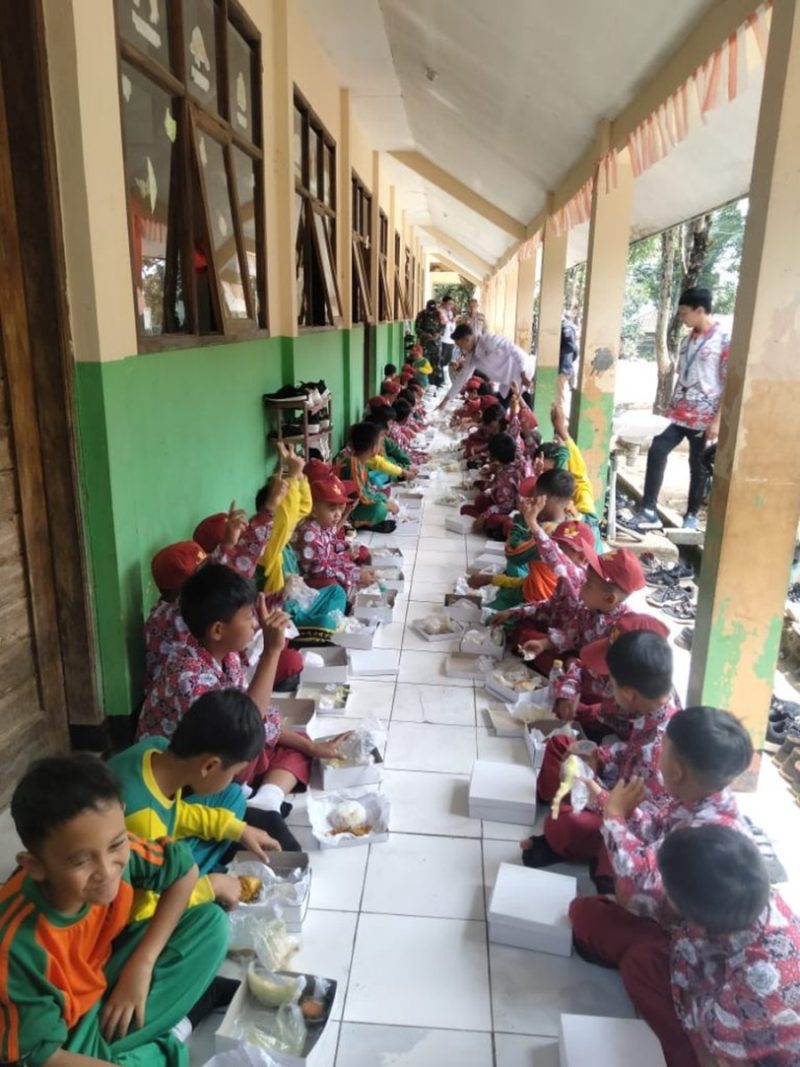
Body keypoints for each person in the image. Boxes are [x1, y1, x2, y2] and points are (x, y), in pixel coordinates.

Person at [0, 753, 229, 1067]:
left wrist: (142, 964)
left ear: (122, 817)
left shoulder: (119, 848)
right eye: (81, 861)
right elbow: (41, 1056)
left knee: (211, 923)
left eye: (116, 844)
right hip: (63, 1032)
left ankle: (155, 1045)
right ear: (35, 866)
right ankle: (166, 1043)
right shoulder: (17, 946)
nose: (107, 871)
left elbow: (184, 872)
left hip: (103, 977)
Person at [136, 564, 345, 827]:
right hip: (193, 778)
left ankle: (267, 799)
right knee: (258, 747)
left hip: (224, 749)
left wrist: (311, 747)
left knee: (298, 741)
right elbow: (246, 727)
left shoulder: (227, 657)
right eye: (248, 617)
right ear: (218, 631)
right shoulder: (188, 677)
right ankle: (262, 795)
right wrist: (271, 651)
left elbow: (259, 718)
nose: (255, 623)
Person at [569, 705, 752, 968]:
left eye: (663, 751)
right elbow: (653, 830)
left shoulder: (706, 834)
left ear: (676, 770)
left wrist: (614, 816)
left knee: (586, 915)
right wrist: (604, 799)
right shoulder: (700, 798)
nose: (657, 756)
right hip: (657, 889)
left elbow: (635, 886)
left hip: (693, 949)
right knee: (603, 869)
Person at [617, 826, 800, 1066]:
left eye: (667, 888)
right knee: (641, 957)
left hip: (746, 1049)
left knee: (641, 964)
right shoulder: (746, 894)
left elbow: (715, 1045)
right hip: (718, 984)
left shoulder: (757, 981)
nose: (662, 888)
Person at [523, 630, 678, 887]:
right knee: (561, 744)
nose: (608, 690)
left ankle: (570, 843)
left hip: (624, 811)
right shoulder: (654, 703)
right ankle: (557, 804)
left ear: (628, 693)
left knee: (565, 825)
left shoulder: (660, 750)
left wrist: (599, 795)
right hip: (617, 780)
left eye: (612, 685)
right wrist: (601, 756)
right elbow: (629, 751)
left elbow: (644, 824)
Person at [110, 689, 283, 918]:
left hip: (150, 831)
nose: (233, 779)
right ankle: (199, 875)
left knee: (233, 797)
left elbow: (174, 812)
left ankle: (196, 868)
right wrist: (211, 887)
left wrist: (239, 829)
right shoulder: (145, 820)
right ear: (210, 766)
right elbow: (146, 912)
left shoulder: (155, 748)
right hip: (133, 904)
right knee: (212, 922)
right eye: (233, 772)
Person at [625, 287, 730, 532]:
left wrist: (717, 421)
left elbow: (728, 384)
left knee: (698, 465)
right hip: (678, 412)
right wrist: (670, 407)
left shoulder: (723, 339)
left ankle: (692, 515)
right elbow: (683, 375)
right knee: (657, 450)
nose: (682, 319)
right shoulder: (687, 340)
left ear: (700, 310)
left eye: (685, 314)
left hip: (704, 417)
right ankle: (648, 510)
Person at [471, 471, 579, 613]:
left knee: (487, 616)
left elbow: (513, 555)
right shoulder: (570, 523)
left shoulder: (550, 532)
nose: (533, 500)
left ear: (551, 498)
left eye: (536, 495)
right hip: (531, 586)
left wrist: (524, 519)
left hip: (540, 601)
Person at [292, 476, 377, 598]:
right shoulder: (309, 535)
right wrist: (354, 575)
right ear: (314, 510)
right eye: (332, 509)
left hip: (325, 563)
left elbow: (329, 544)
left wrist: (348, 546)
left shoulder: (322, 525)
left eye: (340, 508)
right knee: (332, 584)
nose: (338, 515)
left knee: (361, 552)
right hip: (312, 578)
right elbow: (321, 572)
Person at [459, 432, 531, 539]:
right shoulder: (519, 459)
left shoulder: (506, 476)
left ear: (496, 457)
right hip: (505, 502)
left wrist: (484, 516)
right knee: (480, 499)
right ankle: (492, 526)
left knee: (471, 511)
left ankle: (494, 526)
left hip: (512, 511)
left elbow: (506, 506)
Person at [442, 324, 534, 406]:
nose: (462, 350)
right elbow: (463, 377)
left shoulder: (490, 340)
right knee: (500, 412)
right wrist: (445, 400)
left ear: (467, 339)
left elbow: (514, 350)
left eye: (461, 346)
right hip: (508, 383)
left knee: (525, 413)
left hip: (524, 374)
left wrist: (523, 373)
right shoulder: (472, 356)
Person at [336, 422, 399, 532]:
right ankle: (359, 523)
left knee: (382, 496)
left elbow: (367, 490)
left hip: (358, 503)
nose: (381, 447)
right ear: (373, 447)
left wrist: (382, 499)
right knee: (379, 509)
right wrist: (385, 505)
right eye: (380, 443)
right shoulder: (353, 463)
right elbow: (361, 496)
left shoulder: (361, 462)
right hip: (348, 510)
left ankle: (366, 520)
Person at [413, 299, 443, 385]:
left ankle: (435, 384)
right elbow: (417, 328)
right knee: (425, 363)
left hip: (436, 344)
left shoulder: (438, 314)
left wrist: (438, 334)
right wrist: (426, 335)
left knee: (437, 363)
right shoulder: (422, 314)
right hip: (425, 344)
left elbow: (443, 327)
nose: (432, 311)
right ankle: (426, 384)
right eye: (430, 309)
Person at [558, 315, 579, 409]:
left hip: (564, 367)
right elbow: (574, 349)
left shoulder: (565, 327)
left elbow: (570, 346)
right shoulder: (569, 327)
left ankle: (560, 419)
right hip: (567, 366)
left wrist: (560, 356)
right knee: (561, 394)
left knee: (560, 396)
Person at [439, 293, 457, 384]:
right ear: (443, 303)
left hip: (450, 339)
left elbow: (452, 325)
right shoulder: (439, 311)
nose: (451, 306)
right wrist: (452, 321)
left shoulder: (450, 312)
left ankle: (445, 378)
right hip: (443, 339)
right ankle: (441, 379)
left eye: (452, 304)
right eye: (449, 303)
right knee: (442, 359)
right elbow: (443, 322)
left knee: (447, 359)